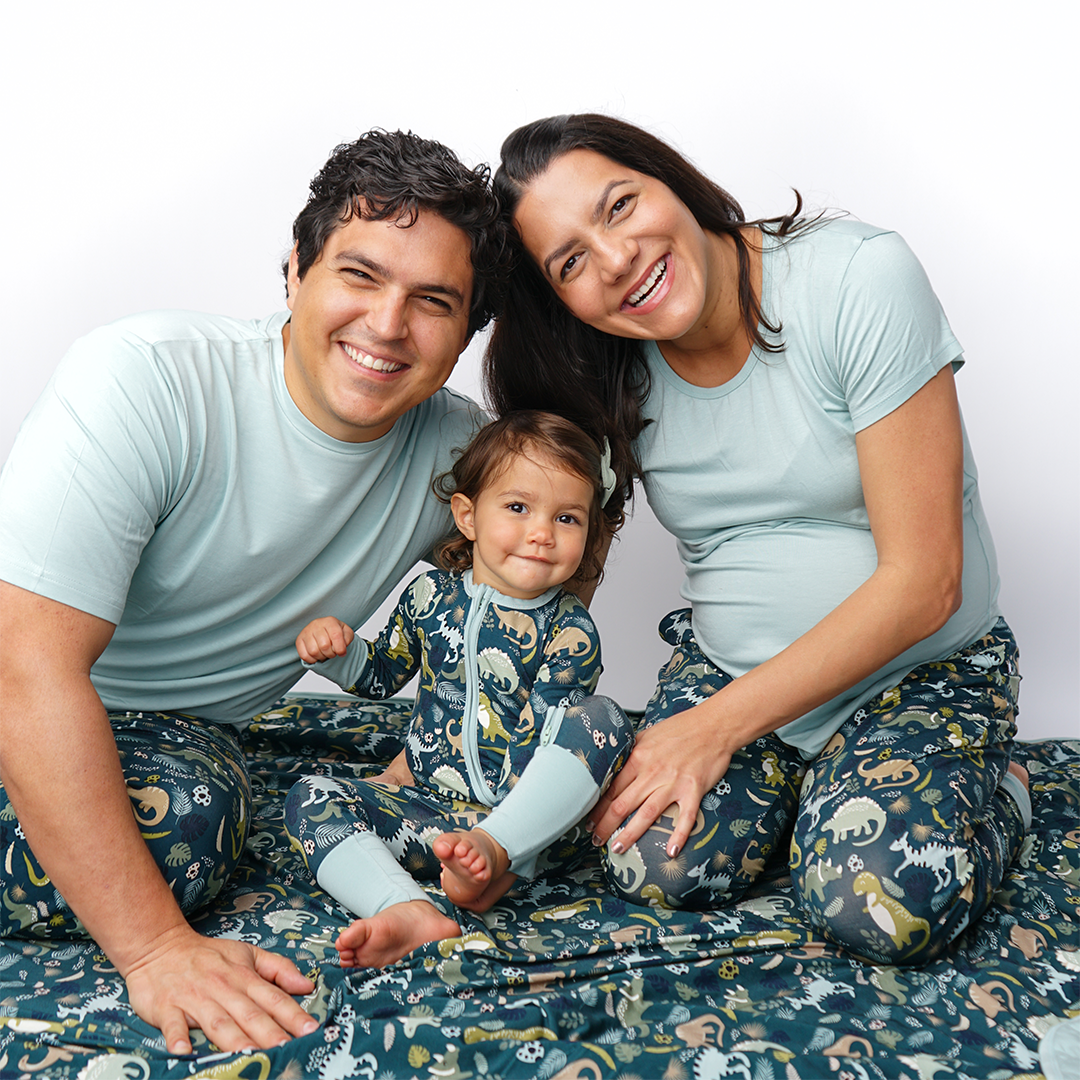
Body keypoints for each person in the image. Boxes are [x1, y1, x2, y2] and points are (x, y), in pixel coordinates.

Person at [0, 129, 510, 1054]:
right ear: (294, 271)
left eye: (433, 301)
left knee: (221, 797)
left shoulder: (457, 457)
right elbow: (22, 667)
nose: (388, 325)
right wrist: (154, 948)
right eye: (359, 274)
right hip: (28, 699)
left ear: (468, 333)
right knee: (190, 825)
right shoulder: (150, 380)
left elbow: (511, 609)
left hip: (182, 735)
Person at [483, 113, 1032, 966]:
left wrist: (709, 731)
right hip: (729, 667)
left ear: (667, 175)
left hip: (916, 670)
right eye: (572, 262)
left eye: (620, 206)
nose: (617, 258)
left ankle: (1001, 791)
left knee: (879, 906)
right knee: (646, 865)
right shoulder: (609, 365)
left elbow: (927, 582)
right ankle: (812, 790)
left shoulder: (857, 277)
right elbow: (554, 525)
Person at [284, 411, 633, 968]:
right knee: (312, 796)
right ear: (468, 516)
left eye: (566, 517)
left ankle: (502, 862)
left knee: (603, 717)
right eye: (518, 508)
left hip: (530, 829)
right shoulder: (428, 598)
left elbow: (551, 747)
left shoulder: (570, 630)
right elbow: (381, 677)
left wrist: (505, 841)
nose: (542, 532)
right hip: (435, 820)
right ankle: (403, 907)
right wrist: (339, 653)